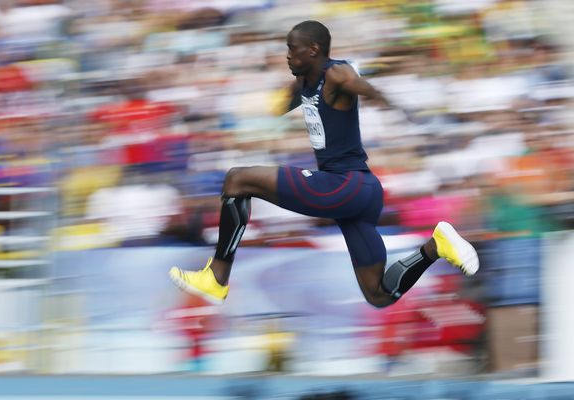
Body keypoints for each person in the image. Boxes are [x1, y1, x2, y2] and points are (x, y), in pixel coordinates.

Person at [169, 20, 479, 307]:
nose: (287, 56)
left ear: (313, 50)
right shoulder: (304, 81)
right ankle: (435, 247)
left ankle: (217, 276)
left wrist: (393, 105)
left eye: (292, 49)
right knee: (379, 294)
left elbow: (359, 85)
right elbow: (278, 105)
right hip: (359, 195)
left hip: (346, 186)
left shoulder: (336, 73)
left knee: (237, 179)